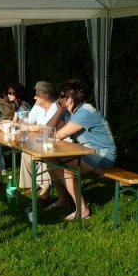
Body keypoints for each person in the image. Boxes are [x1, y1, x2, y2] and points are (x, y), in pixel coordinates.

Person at [46, 79, 116, 220]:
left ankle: (82, 210)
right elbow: (48, 130)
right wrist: (59, 110)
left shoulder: (85, 113)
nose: (58, 99)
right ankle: (63, 200)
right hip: (88, 153)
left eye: (62, 96)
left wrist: (57, 119)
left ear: (70, 100)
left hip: (103, 155)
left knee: (65, 168)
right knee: (50, 161)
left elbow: (59, 135)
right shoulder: (69, 112)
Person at [17, 81, 59, 204]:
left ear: (46, 95)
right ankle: (31, 184)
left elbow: (48, 130)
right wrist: (35, 127)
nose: (34, 97)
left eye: (37, 94)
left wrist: (34, 128)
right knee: (25, 151)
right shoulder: (38, 107)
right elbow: (24, 122)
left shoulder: (55, 108)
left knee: (44, 153)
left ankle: (45, 189)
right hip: (40, 139)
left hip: (53, 142)